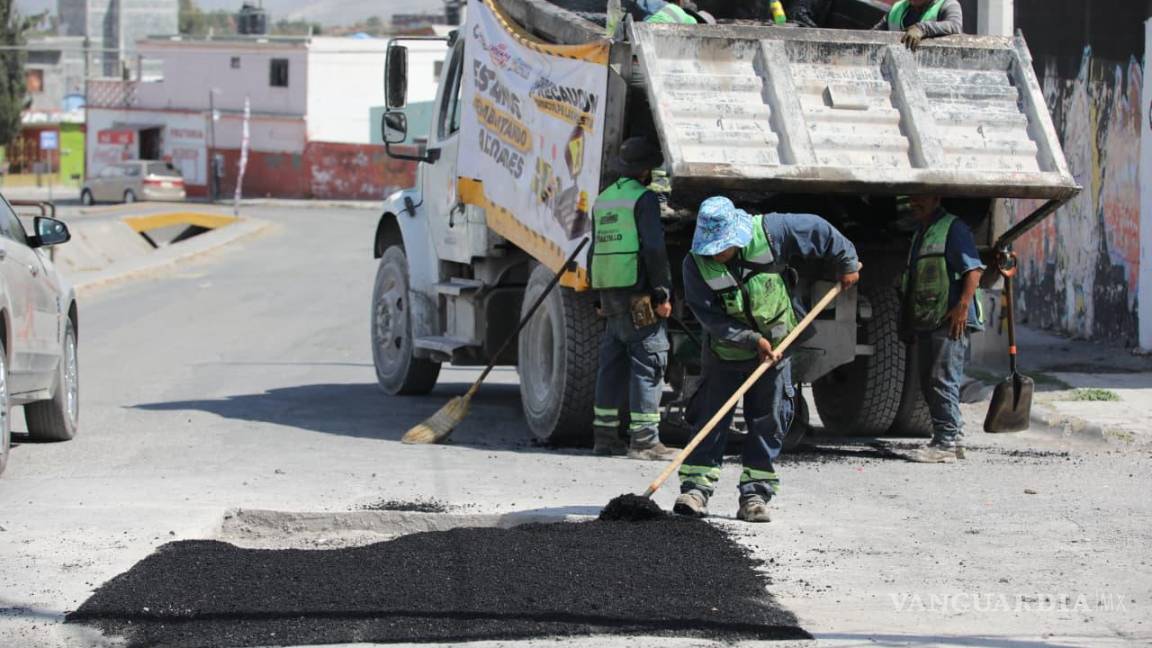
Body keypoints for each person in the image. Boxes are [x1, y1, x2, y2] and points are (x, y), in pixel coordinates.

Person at [675, 197, 861, 522]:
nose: (715, 254)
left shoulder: (772, 231)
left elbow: (819, 229)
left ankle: (755, 494)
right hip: (726, 352)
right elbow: (710, 318)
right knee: (710, 417)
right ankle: (696, 489)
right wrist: (751, 339)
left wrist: (847, 262)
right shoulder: (695, 264)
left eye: (722, 247)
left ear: (737, 237)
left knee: (767, 419)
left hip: (778, 348)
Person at [588, 137, 678, 461]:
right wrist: (662, 293)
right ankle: (644, 441)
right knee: (649, 360)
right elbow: (654, 249)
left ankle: (604, 437)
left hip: (610, 293)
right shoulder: (644, 199)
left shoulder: (603, 200)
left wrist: (596, 296)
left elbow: (594, 248)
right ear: (644, 171)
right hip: (639, 295)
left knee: (611, 365)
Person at [900, 195, 984, 463]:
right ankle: (953, 439)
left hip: (950, 319)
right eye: (912, 199)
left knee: (941, 379)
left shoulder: (952, 227)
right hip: (931, 318)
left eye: (921, 198)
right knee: (931, 380)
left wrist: (962, 306)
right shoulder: (922, 232)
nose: (915, 202)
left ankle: (945, 443)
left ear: (935, 198)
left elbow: (974, 270)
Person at [874, 0, 963, 50]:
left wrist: (922, 28)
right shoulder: (897, 9)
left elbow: (954, 25)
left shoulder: (947, 4)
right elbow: (872, 35)